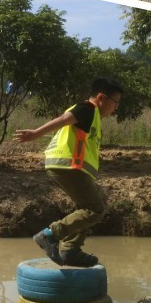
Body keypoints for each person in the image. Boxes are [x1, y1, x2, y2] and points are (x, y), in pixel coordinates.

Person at [13, 76, 123, 268]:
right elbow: (64, 119)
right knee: (95, 210)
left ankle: (71, 250)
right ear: (101, 98)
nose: (116, 107)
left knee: (84, 208)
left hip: (69, 167)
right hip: (68, 166)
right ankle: (50, 235)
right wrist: (36, 133)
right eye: (115, 102)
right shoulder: (88, 108)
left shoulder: (93, 115)